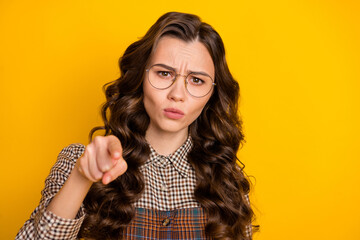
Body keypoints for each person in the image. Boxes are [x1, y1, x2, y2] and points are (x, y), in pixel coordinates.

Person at [16, 12, 254, 240]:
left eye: (197, 80)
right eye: (164, 73)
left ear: (212, 93)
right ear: (140, 77)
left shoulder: (226, 179)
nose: (177, 94)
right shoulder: (80, 162)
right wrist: (81, 178)